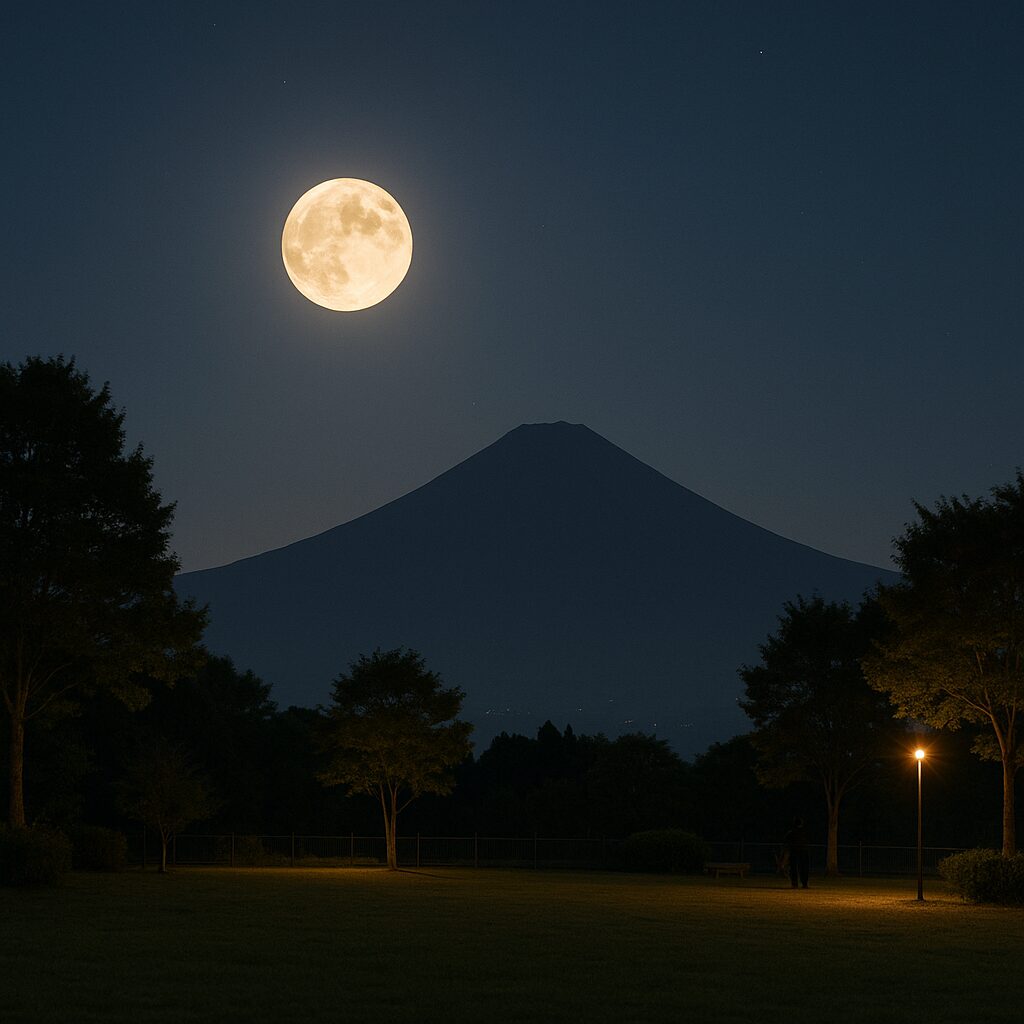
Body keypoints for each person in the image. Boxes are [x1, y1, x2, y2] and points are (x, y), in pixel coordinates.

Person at [784, 817, 810, 889]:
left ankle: (794, 883)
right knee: (804, 868)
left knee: (793, 868)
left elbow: (786, 841)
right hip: (803, 851)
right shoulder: (805, 832)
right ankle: (804, 883)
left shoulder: (791, 832)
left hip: (794, 851)